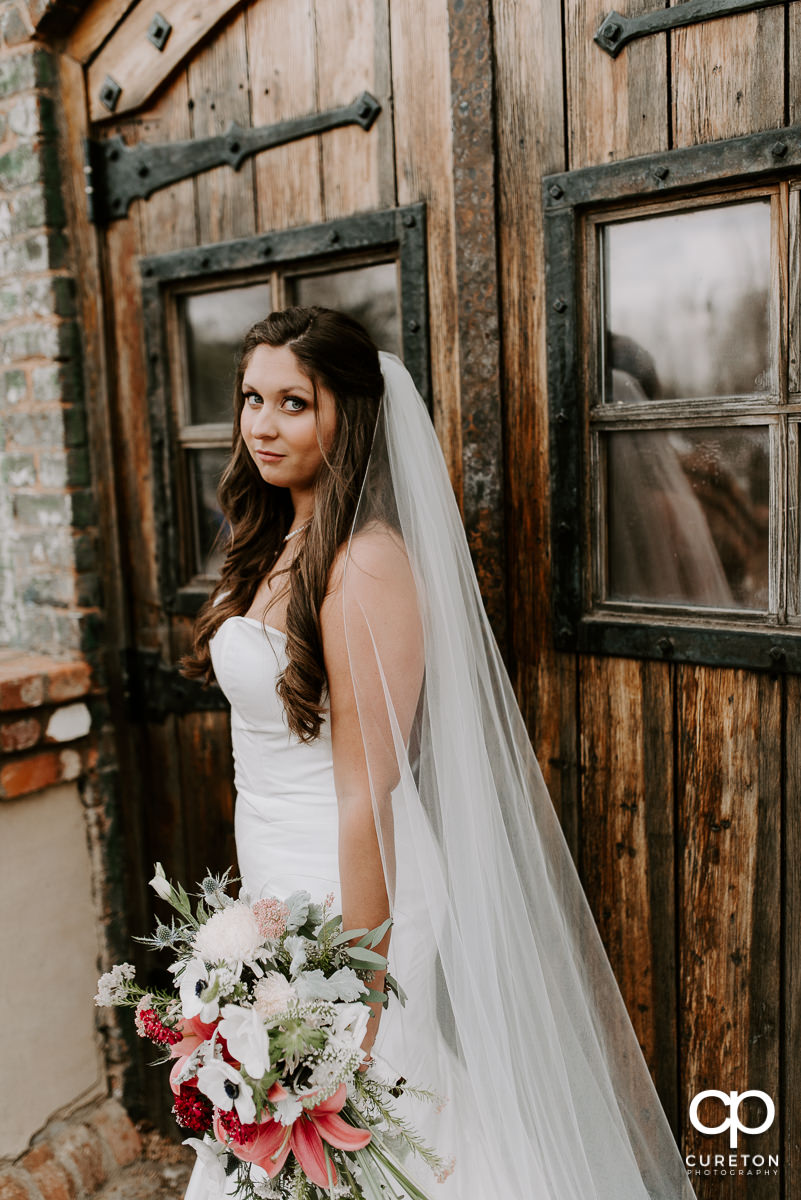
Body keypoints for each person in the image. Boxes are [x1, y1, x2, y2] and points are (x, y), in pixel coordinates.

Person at [181, 306, 696, 1199]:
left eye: (293, 403)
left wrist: (361, 980)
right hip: (272, 870)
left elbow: (367, 796)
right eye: (251, 398)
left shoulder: (364, 565)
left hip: (353, 888)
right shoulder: (266, 537)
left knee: (375, 1117)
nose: (261, 425)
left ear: (348, 414)